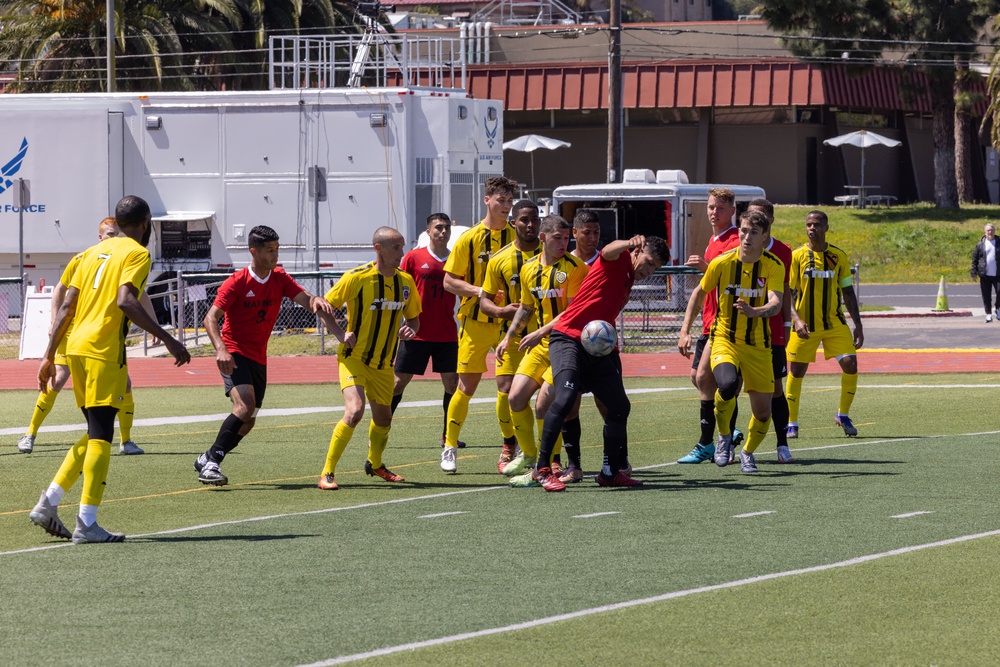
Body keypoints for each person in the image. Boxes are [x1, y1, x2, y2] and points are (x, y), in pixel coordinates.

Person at [29, 195, 191, 544]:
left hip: (76, 349)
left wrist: (48, 354)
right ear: (145, 223)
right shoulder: (137, 253)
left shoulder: (86, 254)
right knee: (102, 436)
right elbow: (125, 301)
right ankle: (87, 523)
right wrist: (169, 339)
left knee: (94, 432)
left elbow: (67, 306)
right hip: (104, 351)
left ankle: (49, 502)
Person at [195, 225, 337, 486]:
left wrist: (315, 300)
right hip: (234, 351)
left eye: (277, 249)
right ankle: (212, 463)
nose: (275, 255)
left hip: (259, 356)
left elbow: (305, 300)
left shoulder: (280, 278)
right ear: (253, 251)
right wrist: (221, 349)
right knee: (244, 407)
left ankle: (207, 456)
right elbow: (210, 318)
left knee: (248, 421)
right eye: (270, 250)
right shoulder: (236, 282)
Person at [531, 234, 671, 491]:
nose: (649, 271)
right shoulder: (618, 260)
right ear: (638, 251)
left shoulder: (629, 278)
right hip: (569, 339)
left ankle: (610, 471)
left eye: (656, 268)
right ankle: (541, 468)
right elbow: (607, 250)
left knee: (619, 406)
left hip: (596, 347)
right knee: (564, 398)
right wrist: (629, 243)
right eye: (649, 262)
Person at [17, 218, 156, 456]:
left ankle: (126, 441)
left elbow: (137, 294)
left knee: (125, 385)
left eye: (116, 233)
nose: (114, 238)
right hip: (73, 331)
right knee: (57, 380)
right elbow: (61, 291)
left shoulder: (124, 258)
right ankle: (30, 434)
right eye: (109, 234)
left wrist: (154, 324)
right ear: (100, 236)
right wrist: (54, 321)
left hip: (101, 335)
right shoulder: (84, 258)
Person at [316, 226, 421, 490]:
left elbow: (415, 319)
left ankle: (375, 464)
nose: (401, 253)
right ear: (379, 249)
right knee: (355, 411)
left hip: (385, 363)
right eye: (396, 247)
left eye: (402, 246)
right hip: (355, 357)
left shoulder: (405, 282)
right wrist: (340, 334)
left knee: (384, 418)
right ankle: (327, 473)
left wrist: (411, 329)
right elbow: (324, 307)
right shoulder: (357, 277)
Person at [681, 210, 784, 472]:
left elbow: (775, 302)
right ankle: (724, 437)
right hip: (724, 339)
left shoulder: (773, 265)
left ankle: (748, 452)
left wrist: (755, 311)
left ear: (765, 237)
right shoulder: (721, 263)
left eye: (754, 233)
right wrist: (685, 330)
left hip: (759, 347)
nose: (747, 237)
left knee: (763, 413)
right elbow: (699, 293)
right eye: (744, 230)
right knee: (726, 385)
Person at [493, 215, 587, 487]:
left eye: (566, 238)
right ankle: (532, 458)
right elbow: (526, 307)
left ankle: (549, 464)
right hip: (541, 345)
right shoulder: (528, 269)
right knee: (515, 398)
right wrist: (508, 338)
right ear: (543, 238)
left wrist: (538, 332)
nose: (563, 242)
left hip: (566, 345)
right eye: (558, 238)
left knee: (544, 406)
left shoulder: (574, 268)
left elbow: (572, 312)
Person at [439, 176, 519, 474]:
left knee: (508, 386)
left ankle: (510, 445)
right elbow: (448, 281)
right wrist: (480, 291)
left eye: (510, 201)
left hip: (509, 324)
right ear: (487, 200)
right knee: (466, 386)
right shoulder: (470, 238)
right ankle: (449, 446)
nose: (506, 207)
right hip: (476, 323)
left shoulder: (519, 236)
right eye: (501, 201)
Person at [677, 188, 743, 464]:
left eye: (720, 208)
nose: (714, 212)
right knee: (700, 379)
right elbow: (705, 287)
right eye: (711, 207)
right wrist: (686, 326)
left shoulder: (737, 239)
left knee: (706, 379)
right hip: (708, 321)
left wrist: (706, 268)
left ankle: (708, 442)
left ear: (732, 211)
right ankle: (729, 430)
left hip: (724, 324)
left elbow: (734, 277)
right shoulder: (713, 240)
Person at [785, 210, 864, 438]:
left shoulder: (838, 256)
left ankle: (843, 414)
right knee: (797, 371)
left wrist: (857, 324)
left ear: (826, 228)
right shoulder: (797, 256)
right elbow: (788, 293)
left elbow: (847, 291)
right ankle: (792, 423)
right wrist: (796, 318)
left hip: (834, 324)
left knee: (851, 364)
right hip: (804, 326)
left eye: (817, 225)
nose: (812, 229)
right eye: (809, 224)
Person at [477, 199, 541, 472]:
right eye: (524, 220)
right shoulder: (500, 259)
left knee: (549, 399)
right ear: (513, 223)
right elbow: (484, 301)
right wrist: (503, 311)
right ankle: (509, 443)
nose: (530, 225)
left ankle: (550, 455)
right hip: (512, 338)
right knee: (505, 393)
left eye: (534, 219)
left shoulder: (554, 254)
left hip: (548, 339)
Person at [390, 213, 463, 447]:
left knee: (452, 384)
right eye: (438, 228)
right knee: (398, 383)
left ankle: (448, 437)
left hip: (446, 333)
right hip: (416, 332)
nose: (443, 232)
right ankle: (381, 429)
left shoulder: (456, 261)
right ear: (428, 231)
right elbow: (399, 288)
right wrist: (400, 321)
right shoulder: (413, 257)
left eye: (446, 228)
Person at [556, 209, 604, 483]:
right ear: (574, 233)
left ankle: (617, 461)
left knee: (607, 402)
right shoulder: (562, 263)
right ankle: (573, 465)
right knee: (568, 403)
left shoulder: (605, 260)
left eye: (596, 232)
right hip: (569, 341)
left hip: (600, 343)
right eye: (587, 232)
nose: (592, 238)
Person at [747, 199, 796, 464]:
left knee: (776, 388)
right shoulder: (738, 248)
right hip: (740, 332)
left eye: (760, 218)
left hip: (772, 330)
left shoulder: (783, 252)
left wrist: (788, 323)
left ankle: (782, 443)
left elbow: (785, 290)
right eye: (751, 218)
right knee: (730, 387)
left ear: (770, 223)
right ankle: (727, 443)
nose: (754, 224)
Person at [971, 222, 1000, 323]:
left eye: (991, 230)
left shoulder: (999, 242)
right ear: (984, 232)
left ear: (994, 231)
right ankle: (988, 314)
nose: (990, 232)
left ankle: (997, 308)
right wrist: (973, 272)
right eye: (988, 230)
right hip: (985, 275)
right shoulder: (980, 245)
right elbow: (975, 259)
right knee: (986, 295)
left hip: (998, 274)